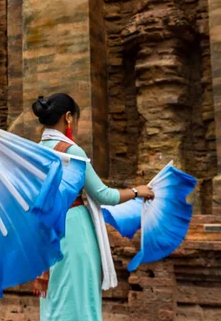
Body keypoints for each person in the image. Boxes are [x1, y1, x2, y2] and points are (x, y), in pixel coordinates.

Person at [32, 93, 155, 321]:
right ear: (68, 117)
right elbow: (103, 194)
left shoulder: (34, 151)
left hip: (47, 230)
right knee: (78, 298)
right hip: (74, 229)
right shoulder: (71, 152)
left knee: (56, 298)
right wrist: (139, 191)